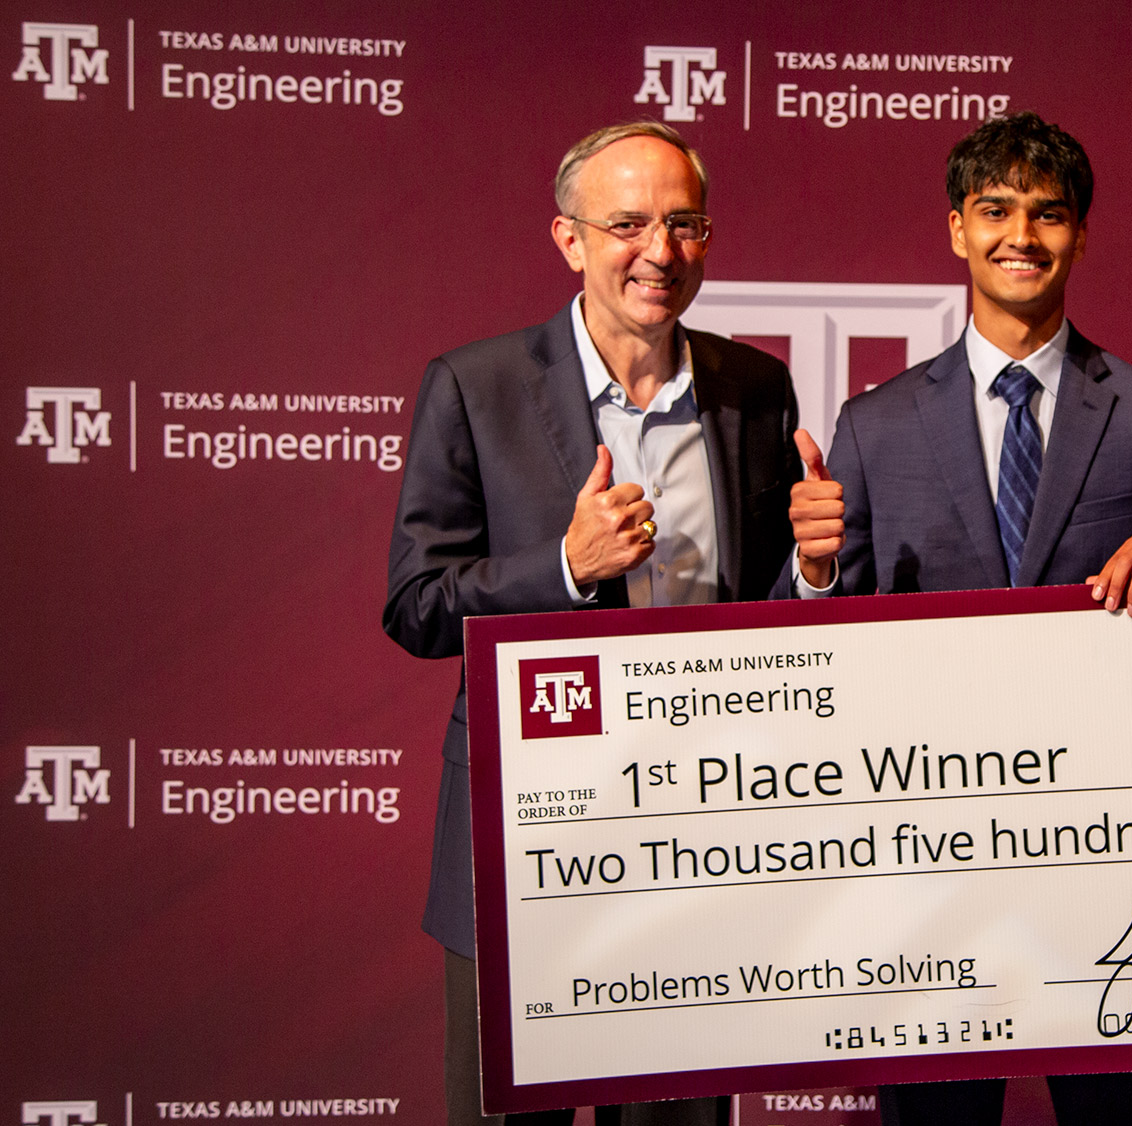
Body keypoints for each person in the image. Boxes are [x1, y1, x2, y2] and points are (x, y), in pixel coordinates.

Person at [781, 111, 1132, 1124]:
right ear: (955, 229)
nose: (1019, 236)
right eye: (994, 210)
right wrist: (813, 570)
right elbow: (804, 650)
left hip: (1119, 871)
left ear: (1080, 234)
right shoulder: (875, 423)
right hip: (931, 871)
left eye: (1047, 214)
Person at [384, 122, 799, 1126]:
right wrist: (564, 568)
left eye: (684, 223)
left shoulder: (755, 389)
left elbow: (773, 620)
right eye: (627, 224)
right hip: (522, 845)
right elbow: (415, 603)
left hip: (695, 848)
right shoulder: (474, 387)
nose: (659, 252)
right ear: (567, 239)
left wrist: (815, 573)